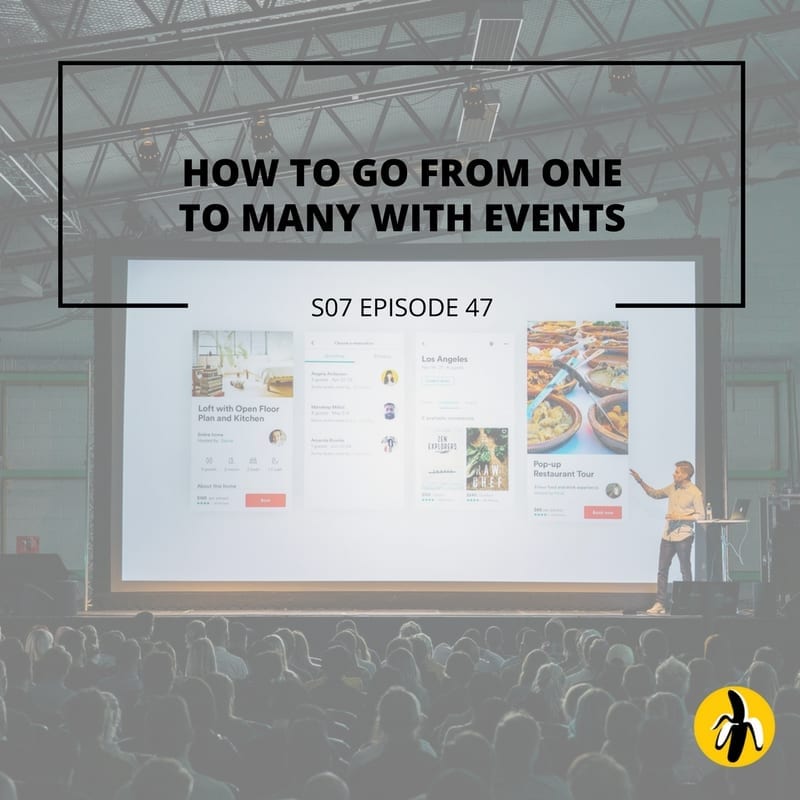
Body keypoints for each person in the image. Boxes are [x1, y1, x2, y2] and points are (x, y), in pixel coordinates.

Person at [629, 460, 704, 615]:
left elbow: (701, 515)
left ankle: (687, 604)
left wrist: (680, 516)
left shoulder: (695, 493)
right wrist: (640, 481)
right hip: (668, 536)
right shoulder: (672, 488)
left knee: (685, 570)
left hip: (684, 536)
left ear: (685, 475)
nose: (673, 474)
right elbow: (654, 494)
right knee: (662, 570)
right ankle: (660, 604)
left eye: (677, 472)